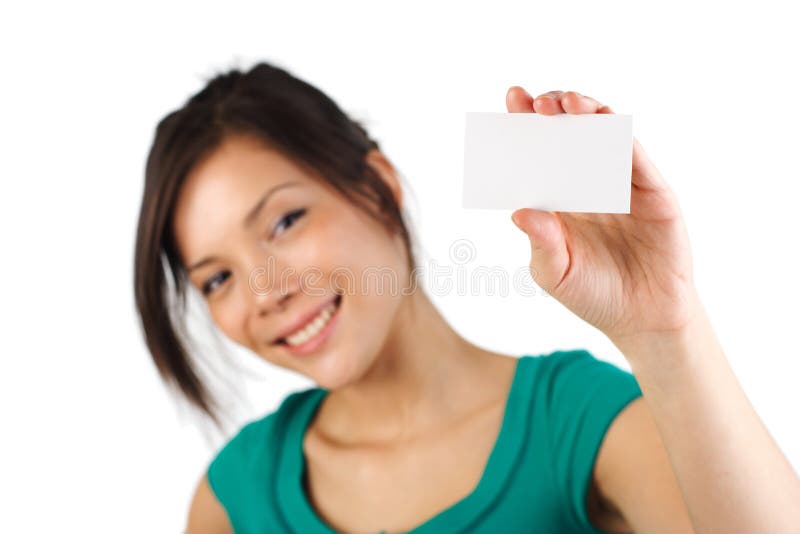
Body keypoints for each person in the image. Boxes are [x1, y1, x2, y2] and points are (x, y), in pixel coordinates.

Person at [133, 62, 800, 534]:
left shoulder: (576, 421)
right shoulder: (233, 498)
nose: (265, 291)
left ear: (378, 184)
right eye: (215, 278)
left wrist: (665, 331)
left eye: (284, 222)